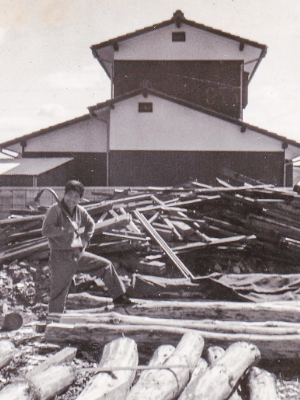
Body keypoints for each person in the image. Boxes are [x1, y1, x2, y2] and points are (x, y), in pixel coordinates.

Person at [42, 179, 132, 314]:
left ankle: (119, 298)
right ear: (65, 194)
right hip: (60, 257)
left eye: (76, 196)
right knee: (59, 293)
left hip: (77, 254)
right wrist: (65, 230)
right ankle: (54, 323)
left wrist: (84, 241)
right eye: (70, 195)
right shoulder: (55, 210)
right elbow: (46, 230)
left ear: (80, 199)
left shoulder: (80, 211)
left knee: (105, 266)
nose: (72, 199)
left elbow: (91, 225)